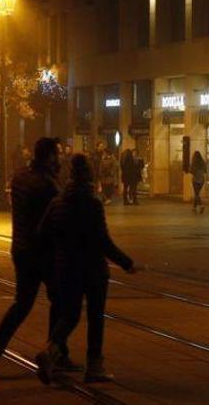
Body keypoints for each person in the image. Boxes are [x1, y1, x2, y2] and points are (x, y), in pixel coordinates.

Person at [35, 154, 137, 384]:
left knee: (69, 315)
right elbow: (103, 241)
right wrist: (127, 263)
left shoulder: (57, 202)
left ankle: (50, 351)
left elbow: (42, 234)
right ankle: (94, 366)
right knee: (95, 317)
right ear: (90, 177)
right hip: (93, 270)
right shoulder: (92, 204)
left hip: (66, 268)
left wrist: (55, 256)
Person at [0, 138, 79, 376]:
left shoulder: (20, 177)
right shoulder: (47, 185)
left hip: (21, 249)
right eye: (56, 155)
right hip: (44, 252)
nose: (59, 159)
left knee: (22, 304)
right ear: (48, 157)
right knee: (61, 301)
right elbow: (57, 220)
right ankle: (55, 351)